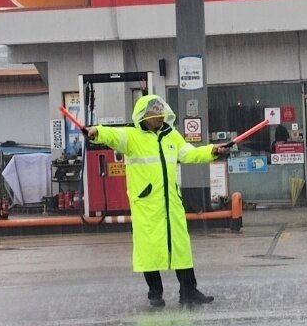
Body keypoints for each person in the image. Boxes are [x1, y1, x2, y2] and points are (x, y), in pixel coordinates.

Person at [85, 95, 233, 308]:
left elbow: (190, 154)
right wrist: (97, 132)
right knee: (149, 248)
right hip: (146, 204)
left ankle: (189, 291)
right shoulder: (132, 136)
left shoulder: (171, 135)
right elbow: (113, 135)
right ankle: (155, 292)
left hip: (171, 203)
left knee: (181, 247)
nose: (161, 118)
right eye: (156, 114)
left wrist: (212, 150)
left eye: (162, 113)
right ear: (144, 116)